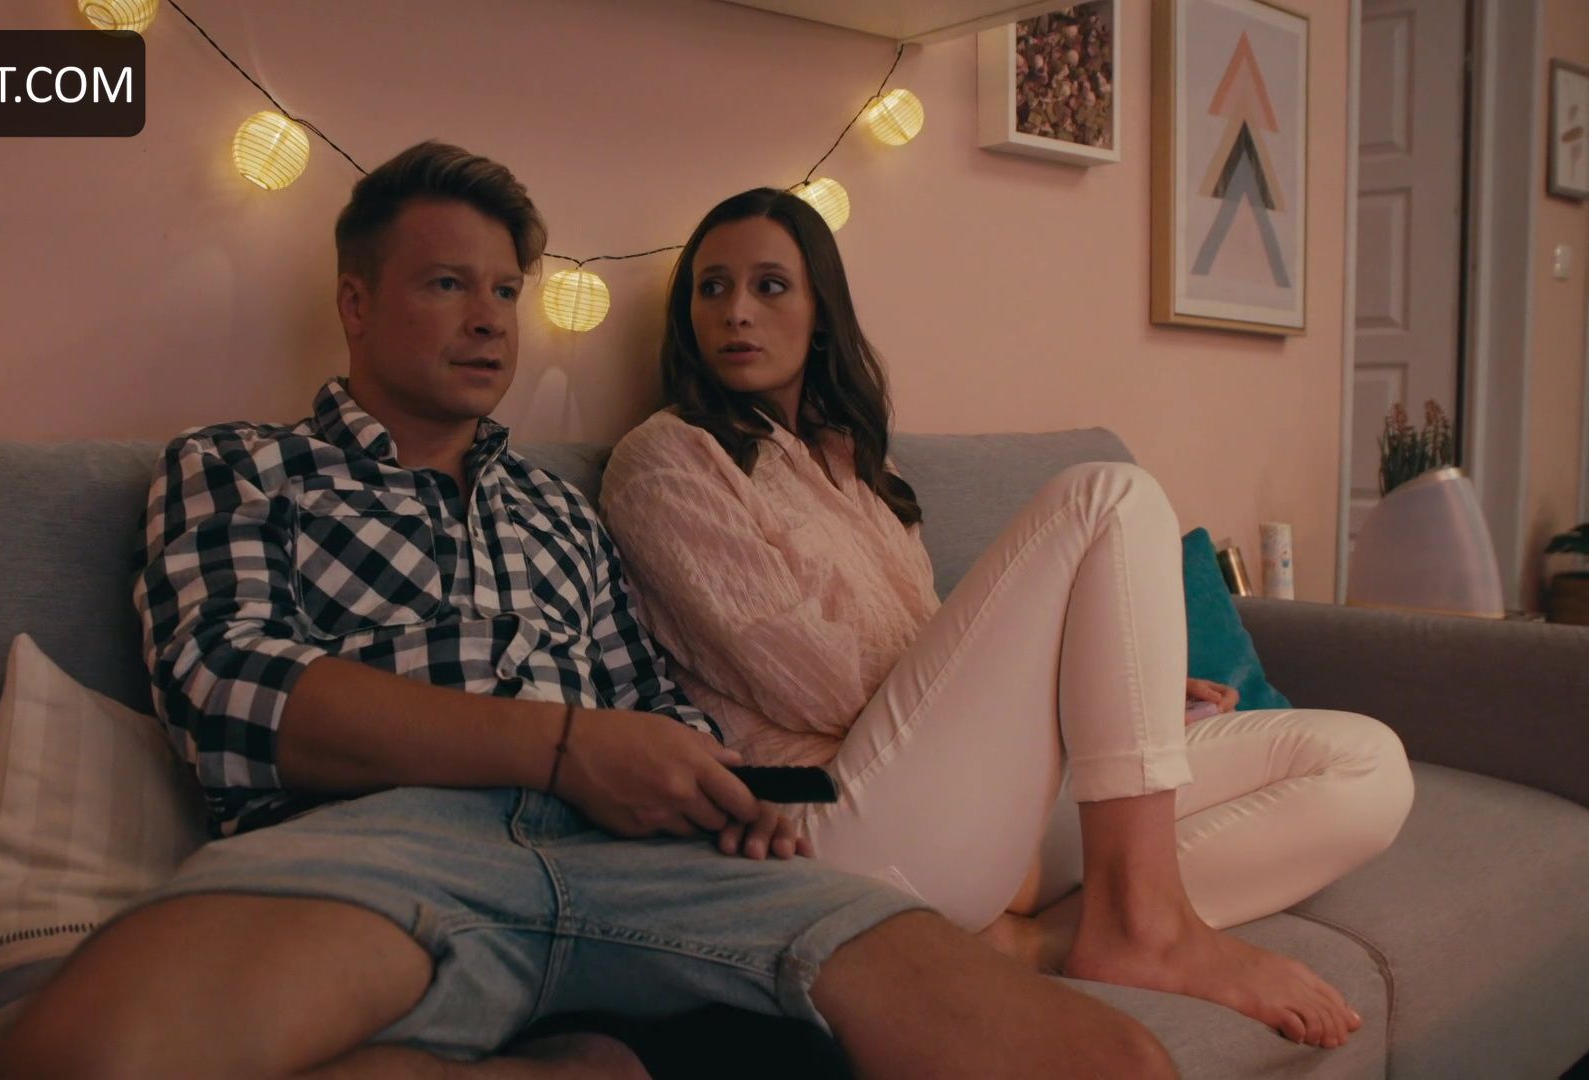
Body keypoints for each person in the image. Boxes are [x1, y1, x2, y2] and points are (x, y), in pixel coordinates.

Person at [0, 144, 1176, 1080]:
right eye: (447, 284)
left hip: (639, 861)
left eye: (506, 290)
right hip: (387, 844)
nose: (490, 318)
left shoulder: (556, 507)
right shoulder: (240, 465)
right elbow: (228, 691)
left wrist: (727, 789)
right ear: (355, 301)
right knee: (84, 1061)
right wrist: (558, 746)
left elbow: (648, 695)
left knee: (1107, 1060)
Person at [598, 187, 1417, 1053]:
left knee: (1365, 764)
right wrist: (1059, 697)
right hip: (840, 824)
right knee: (1109, 495)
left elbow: (940, 667)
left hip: (970, 807)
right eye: (712, 287)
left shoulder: (856, 465)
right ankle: (1144, 925)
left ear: (821, 314)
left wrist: (1119, 690)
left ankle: (1041, 939)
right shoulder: (664, 461)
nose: (735, 311)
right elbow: (826, 686)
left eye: (769, 286)